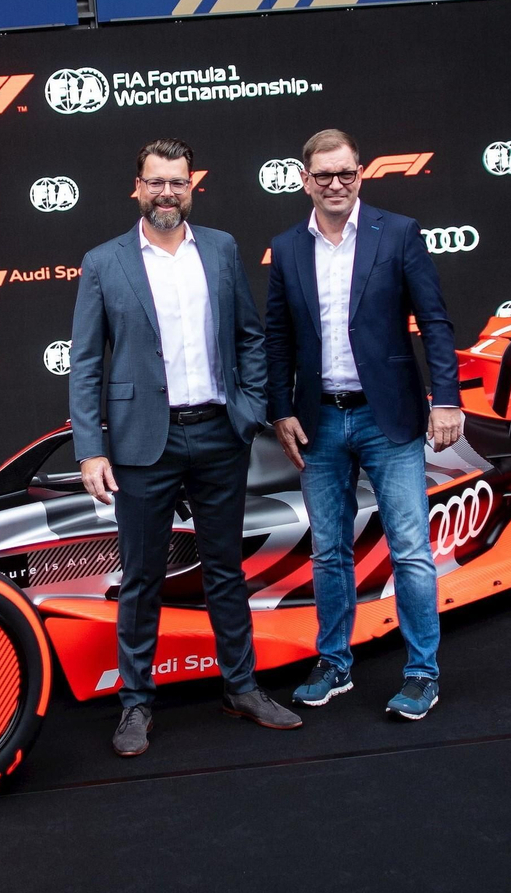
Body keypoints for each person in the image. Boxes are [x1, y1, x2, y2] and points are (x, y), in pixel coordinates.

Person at [69, 137, 302, 756]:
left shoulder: (222, 249)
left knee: (226, 569)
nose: (166, 192)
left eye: (177, 182)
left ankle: (242, 687)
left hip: (220, 434)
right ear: (137, 188)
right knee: (143, 577)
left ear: (191, 184)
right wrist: (91, 450)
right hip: (146, 442)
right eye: (155, 182)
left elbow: (251, 336)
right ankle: (136, 704)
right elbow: (86, 363)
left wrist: (248, 412)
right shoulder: (104, 262)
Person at [263, 128, 464, 719]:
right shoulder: (287, 247)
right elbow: (277, 338)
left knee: (410, 551)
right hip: (319, 421)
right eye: (323, 175)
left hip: (390, 417)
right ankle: (334, 663)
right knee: (328, 552)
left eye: (345, 173)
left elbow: (435, 320)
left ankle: (422, 673)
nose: (335, 184)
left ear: (360, 174)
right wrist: (280, 409)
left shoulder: (397, 233)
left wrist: (446, 399)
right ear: (305, 180)